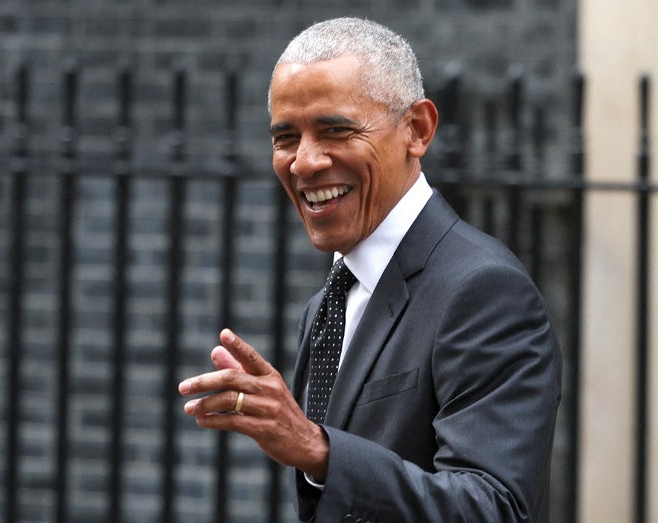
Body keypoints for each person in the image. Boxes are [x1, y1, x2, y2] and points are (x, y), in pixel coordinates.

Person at [179, 17, 562, 522]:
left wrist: (319, 450)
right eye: (286, 137)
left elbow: (493, 507)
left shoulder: (484, 290)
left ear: (417, 129)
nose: (304, 162)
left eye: (336, 130)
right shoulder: (330, 302)